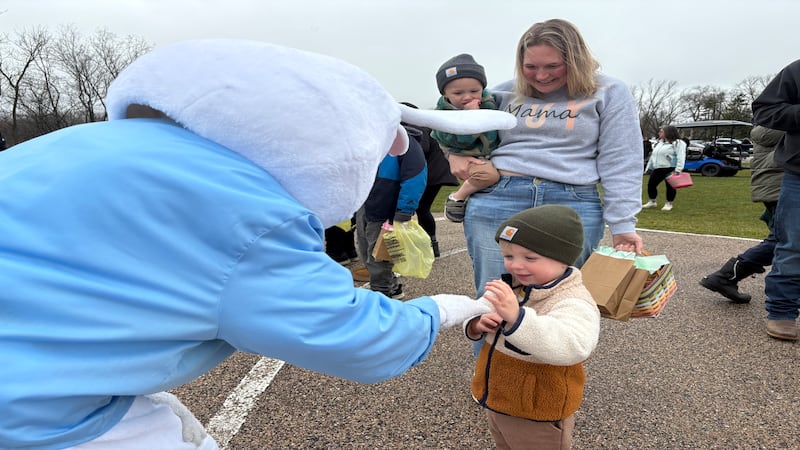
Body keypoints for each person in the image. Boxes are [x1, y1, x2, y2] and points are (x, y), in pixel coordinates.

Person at [0, 40, 502, 449]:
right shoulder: (251, 213)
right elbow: (355, 338)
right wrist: (443, 309)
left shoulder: (70, 142)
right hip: (33, 413)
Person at [445, 19, 644, 300]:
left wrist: (622, 224)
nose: (540, 76)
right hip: (499, 197)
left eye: (553, 66)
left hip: (571, 203)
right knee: (495, 303)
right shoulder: (501, 93)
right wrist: (452, 153)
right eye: (531, 67)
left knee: (563, 304)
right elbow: (450, 124)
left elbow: (621, 159)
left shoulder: (608, 91)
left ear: (576, 60)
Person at [463, 205, 600, 450]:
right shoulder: (513, 286)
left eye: (529, 258)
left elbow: (575, 345)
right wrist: (476, 323)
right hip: (499, 398)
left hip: (537, 411)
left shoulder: (573, 300)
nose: (516, 266)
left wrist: (518, 318)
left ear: (563, 258)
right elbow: (478, 309)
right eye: (509, 257)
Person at [699, 125, 785, 303]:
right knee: (783, 239)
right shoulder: (780, 124)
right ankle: (725, 276)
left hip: (776, 186)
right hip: (780, 187)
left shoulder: (772, 123)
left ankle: (725, 276)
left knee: (783, 239)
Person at [751, 58, 800, 341]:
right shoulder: (797, 71)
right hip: (799, 172)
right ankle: (782, 311)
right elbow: (764, 110)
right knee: (793, 245)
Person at [355, 123, 428, 299]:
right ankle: (391, 287)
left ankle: (381, 292)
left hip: (386, 210)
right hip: (367, 206)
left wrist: (404, 210)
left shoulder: (406, 143)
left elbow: (415, 177)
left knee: (379, 255)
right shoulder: (372, 140)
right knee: (365, 249)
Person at [431, 53, 501, 223]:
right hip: (464, 155)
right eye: (458, 93)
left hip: (490, 154)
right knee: (488, 176)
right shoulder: (443, 116)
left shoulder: (490, 102)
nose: (468, 97)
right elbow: (461, 141)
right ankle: (457, 197)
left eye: (474, 91)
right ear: (445, 94)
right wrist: (472, 117)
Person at [403, 102, 459, 257]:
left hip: (431, 173)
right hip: (436, 171)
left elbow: (423, 147)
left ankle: (429, 245)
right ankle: (430, 244)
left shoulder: (416, 126)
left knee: (422, 208)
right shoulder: (423, 123)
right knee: (422, 208)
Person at [642, 125, 687, 211]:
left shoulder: (678, 143)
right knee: (651, 185)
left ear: (668, 132)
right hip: (658, 168)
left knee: (670, 186)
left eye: (661, 131)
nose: (659, 133)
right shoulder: (660, 143)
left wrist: (678, 169)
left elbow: (681, 156)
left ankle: (669, 203)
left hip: (670, 168)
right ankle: (652, 201)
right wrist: (649, 168)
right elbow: (654, 155)